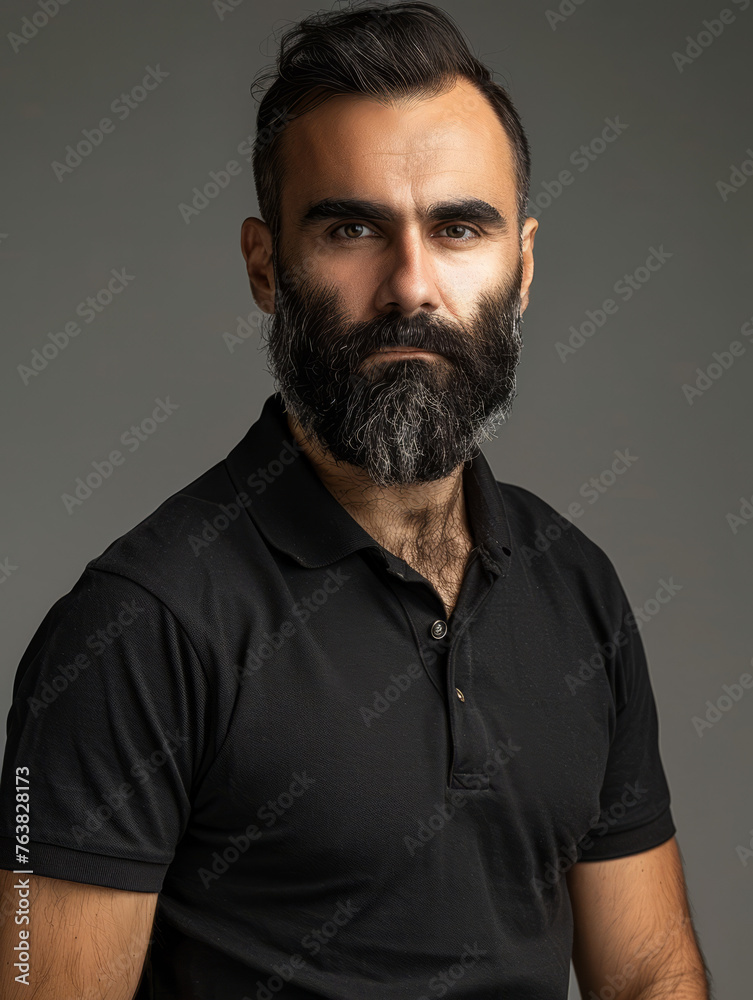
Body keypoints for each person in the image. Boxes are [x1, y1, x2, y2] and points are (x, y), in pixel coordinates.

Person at [0, 2, 712, 998]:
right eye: (352, 228)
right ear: (265, 266)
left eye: (461, 227)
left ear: (525, 267)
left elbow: (646, 972)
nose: (410, 284)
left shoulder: (577, 588)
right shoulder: (140, 624)